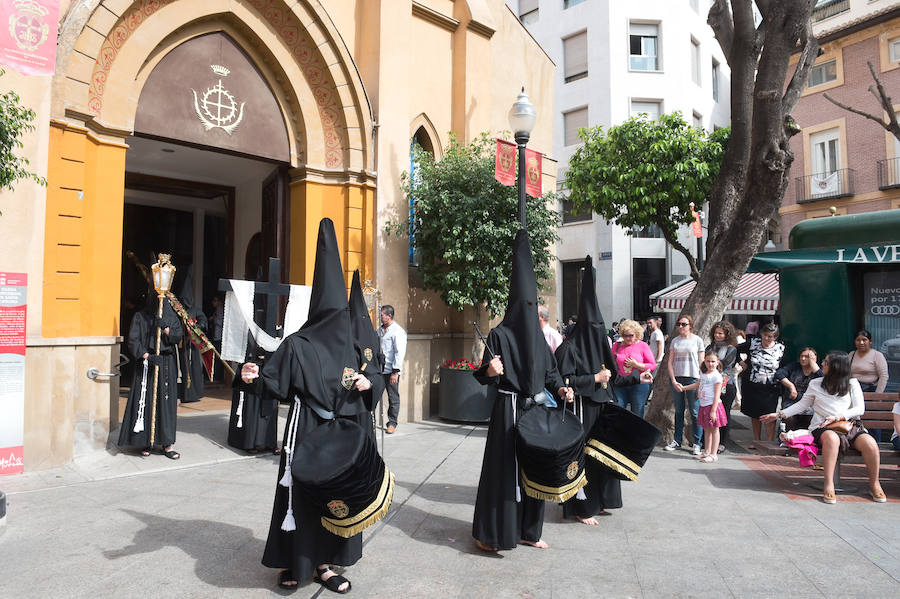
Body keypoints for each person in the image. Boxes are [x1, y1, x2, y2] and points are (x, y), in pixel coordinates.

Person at [248, 218, 378, 593]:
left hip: (345, 434)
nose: (340, 324)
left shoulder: (355, 345)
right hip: (306, 430)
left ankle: (324, 564)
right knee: (302, 499)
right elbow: (274, 383)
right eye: (333, 316)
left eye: (344, 317)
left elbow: (377, 377)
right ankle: (296, 561)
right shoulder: (297, 344)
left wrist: (370, 383)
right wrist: (254, 377)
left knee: (334, 498)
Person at [472, 229, 573, 552]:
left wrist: (561, 391)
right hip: (507, 411)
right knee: (504, 473)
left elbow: (552, 373)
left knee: (536, 470)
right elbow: (483, 375)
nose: (530, 311)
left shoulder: (540, 339)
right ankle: (493, 534)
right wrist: (490, 370)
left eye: (534, 306)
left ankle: (530, 530)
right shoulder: (499, 334)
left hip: (535, 410)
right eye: (525, 304)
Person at [762, 351, 887, 504]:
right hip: (822, 427)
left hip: (847, 425)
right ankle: (829, 484)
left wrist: (838, 417)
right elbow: (802, 404)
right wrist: (779, 414)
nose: (822, 364)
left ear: (836, 366)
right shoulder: (816, 383)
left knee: (870, 443)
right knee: (832, 438)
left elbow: (859, 409)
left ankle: (874, 484)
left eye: (826, 362)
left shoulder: (852, 383)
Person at [555, 256, 618, 525]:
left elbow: (614, 376)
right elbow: (563, 381)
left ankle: (601, 500)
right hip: (581, 411)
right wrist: (594, 377)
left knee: (602, 458)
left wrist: (638, 378)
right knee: (581, 459)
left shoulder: (599, 345)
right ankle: (581, 507)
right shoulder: (568, 348)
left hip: (602, 407)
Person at [118, 290, 184, 459]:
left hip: (166, 364)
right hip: (147, 362)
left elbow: (178, 337)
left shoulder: (171, 317)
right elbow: (133, 341)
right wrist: (147, 356)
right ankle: (146, 441)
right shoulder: (141, 317)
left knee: (166, 404)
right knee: (146, 401)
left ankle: (167, 445)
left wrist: (166, 329)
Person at [228, 335, 279, 454]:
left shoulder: (278, 329)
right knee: (251, 405)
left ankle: (269, 442)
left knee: (269, 407)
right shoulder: (249, 326)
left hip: (270, 370)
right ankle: (249, 442)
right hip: (251, 368)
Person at [738, 322, 785, 446]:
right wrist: (741, 363)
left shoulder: (781, 348)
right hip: (752, 384)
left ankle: (770, 441)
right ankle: (757, 440)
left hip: (771, 386)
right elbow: (735, 349)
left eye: (770, 336)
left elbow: (784, 366)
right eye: (765, 335)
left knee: (769, 413)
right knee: (754, 413)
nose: (767, 339)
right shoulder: (753, 343)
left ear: (775, 337)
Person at [665, 315, 705, 454]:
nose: (681, 327)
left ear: (690, 326)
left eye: (684, 324)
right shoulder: (675, 341)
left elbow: (701, 362)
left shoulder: (697, 340)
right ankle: (677, 440)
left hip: (693, 378)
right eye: (679, 324)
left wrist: (702, 380)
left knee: (695, 411)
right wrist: (673, 380)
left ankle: (697, 442)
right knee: (678, 410)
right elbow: (670, 362)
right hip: (677, 377)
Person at [675, 352, 726, 463]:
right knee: (707, 429)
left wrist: (713, 410)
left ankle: (713, 454)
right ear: (704, 362)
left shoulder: (717, 376)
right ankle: (706, 451)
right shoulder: (703, 373)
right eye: (708, 361)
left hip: (713, 406)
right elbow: (697, 384)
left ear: (718, 362)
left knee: (714, 429)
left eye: (713, 361)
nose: (710, 364)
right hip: (703, 405)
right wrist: (683, 388)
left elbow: (717, 395)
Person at [611, 319, 656, 419]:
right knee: (617, 412)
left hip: (639, 384)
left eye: (631, 335)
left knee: (637, 415)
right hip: (620, 383)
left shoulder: (643, 346)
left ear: (636, 334)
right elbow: (610, 363)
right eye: (625, 335)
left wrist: (637, 365)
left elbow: (652, 365)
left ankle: (635, 434)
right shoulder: (616, 346)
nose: (628, 338)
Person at [175, 266, 207, 404]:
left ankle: (194, 393)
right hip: (181, 344)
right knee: (180, 369)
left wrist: (195, 327)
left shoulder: (195, 310)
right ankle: (182, 393)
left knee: (194, 368)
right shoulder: (177, 310)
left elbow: (203, 321)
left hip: (192, 345)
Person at [706, 321, 738, 453]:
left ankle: (722, 442)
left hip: (726, 385)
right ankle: (708, 443)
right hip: (709, 385)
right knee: (709, 413)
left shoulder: (731, 349)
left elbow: (724, 364)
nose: (717, 335)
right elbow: (705, 362)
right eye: (716, 333)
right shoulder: (709, 347)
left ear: (727, 334)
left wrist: (712, 362)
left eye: (720, 333)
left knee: (724, 414)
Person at [774, 347, 823, 432]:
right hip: (792, 401)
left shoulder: (818, 372)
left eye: (807, 357)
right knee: (789, 418)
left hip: (810, 404)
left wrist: (814, 366)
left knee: (812, 419)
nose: (803, 359)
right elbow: (779, 374)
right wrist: (791, 386)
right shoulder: (794, 366)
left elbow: (824, 381)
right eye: (801, 356)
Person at [377, 304, 407, 434]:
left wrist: (395, 372)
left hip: (391, 371)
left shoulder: (397, 332)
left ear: (389, 316)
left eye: (382, 315)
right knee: (374, 395)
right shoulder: (379, 330)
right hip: (379, 370)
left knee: (393, 398)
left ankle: (392, 423)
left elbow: (399, 353)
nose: (380, 317)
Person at [849, 329, 888, 393]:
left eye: (864, 340)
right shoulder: (851, 355)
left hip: (871, 389)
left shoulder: (877, 355)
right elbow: (846, 373)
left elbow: (884, 376)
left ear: (870, 341)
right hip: (853, 389)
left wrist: (878, 395)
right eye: (858, 340)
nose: (861, 343)